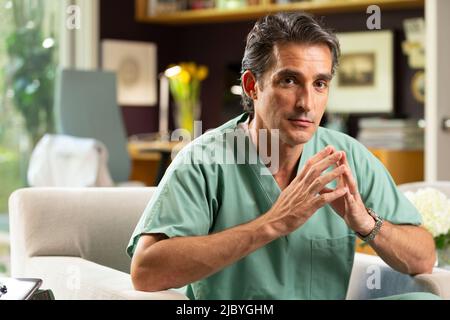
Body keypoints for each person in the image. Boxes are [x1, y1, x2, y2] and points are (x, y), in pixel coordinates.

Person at [127, 12, 437, 300]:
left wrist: (365, 222)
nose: (306, 103)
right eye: (289, 81)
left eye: (319, 84)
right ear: (252, 86)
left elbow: (423, 258)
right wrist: (273, 224)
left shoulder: (348, 156)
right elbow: (146, 271)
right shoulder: (204, 162)